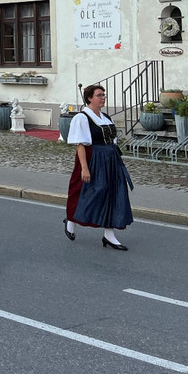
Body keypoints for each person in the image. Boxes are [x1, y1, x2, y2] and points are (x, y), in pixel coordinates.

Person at [65, 85, 135, 250]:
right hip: (92, 159)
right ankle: (71, 219)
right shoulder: (82, 118)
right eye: (99, 95)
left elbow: (112, 141)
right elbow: (80, 144)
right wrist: (84, 168)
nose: (103, 98)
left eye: (104, 95)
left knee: (112, 194)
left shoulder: (105, 117)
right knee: (86, 193)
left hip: (110, 160)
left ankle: (109, 235)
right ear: (89, 98)